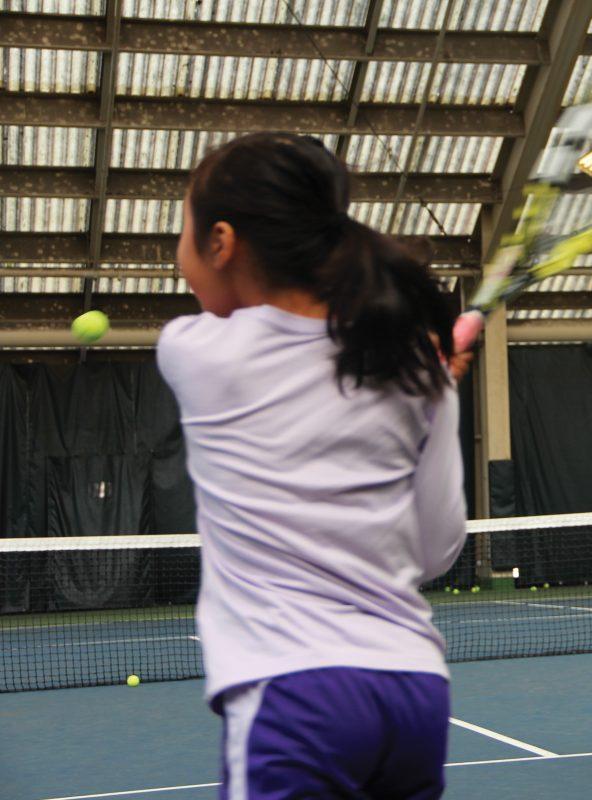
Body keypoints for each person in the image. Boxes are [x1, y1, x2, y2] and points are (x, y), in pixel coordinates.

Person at [157, 132, 467, 799]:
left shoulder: (194, 353)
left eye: (183, 229)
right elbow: (438, 550)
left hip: (294, 698)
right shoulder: (416, 370)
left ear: (221, 241)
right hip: (414, 696)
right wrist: (433, 374)